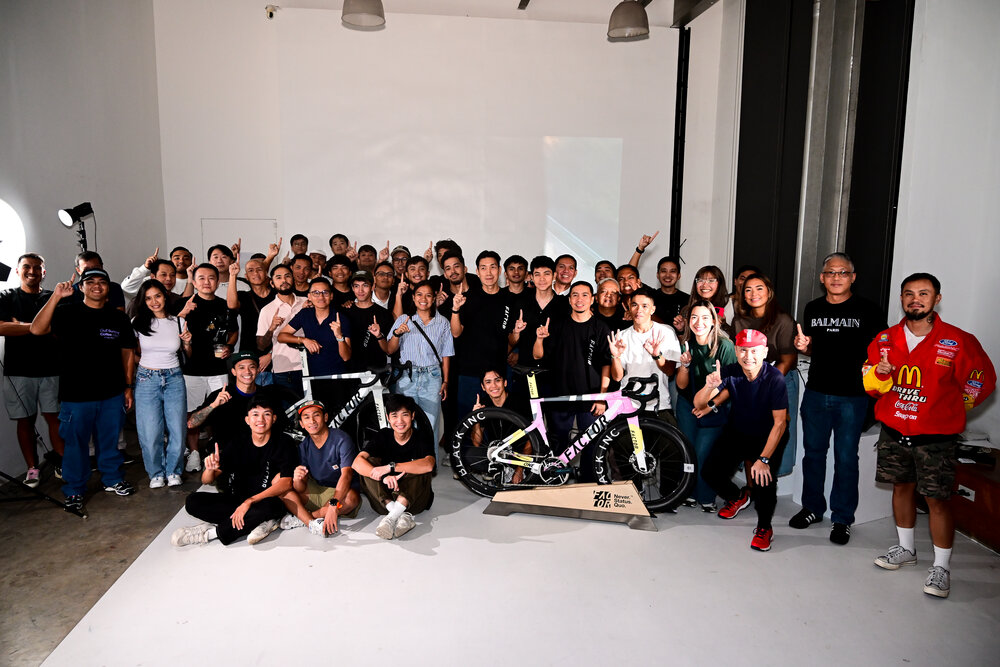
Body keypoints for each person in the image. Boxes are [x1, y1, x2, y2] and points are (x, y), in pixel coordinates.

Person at [865, 273, 995, 598]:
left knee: (937, 500)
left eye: (923, 293)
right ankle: (906, 549)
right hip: (895, 431)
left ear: (937, 299)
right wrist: (878, 374)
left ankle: (941, 567)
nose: (915, 300)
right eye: (909, 293)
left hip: (936, 437)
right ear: (901, 299)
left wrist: (955, 407)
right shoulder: (885, 339)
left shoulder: (958, 340)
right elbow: (871, 384)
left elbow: (981, 378)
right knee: (901, 489)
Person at [790, 253, 886, 545]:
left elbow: (882, 349)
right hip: (816, 392)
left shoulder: (868, 309)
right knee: (813, 454)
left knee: (846, 459)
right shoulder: (813, 308)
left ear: (852, 277)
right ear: (822, 278)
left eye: (843, 272)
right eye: (830, 272)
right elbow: (813, 349)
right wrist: (804, 347)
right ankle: (812, 508)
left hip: (852, 397)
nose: (836, 277)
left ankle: (842, 518)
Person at [29, 269, 138, 512]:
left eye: (102, 282)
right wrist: (56, 296)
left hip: (112, 393)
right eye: (90, 282)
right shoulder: (66, 312)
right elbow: (36, 329)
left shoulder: (117, 317)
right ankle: (75, 489)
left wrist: (128, 387)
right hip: (76, 395)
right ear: (81, 287)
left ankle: (112, 479)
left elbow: (127, 352)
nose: (97, 286)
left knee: (110, 441)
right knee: (75, 445)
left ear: (108, 288)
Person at [695, 329, 789, 552]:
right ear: (736, 351)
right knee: (710, 471)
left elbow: (780, 423)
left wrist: (763, 459)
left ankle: (764, 528)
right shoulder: (731, 371)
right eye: (744, 350)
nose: (749, 356)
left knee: (763, 481)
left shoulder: (775, 378)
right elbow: (699, 404)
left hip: (768, 435)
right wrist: (709, 387)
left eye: (754, 351)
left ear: (764, 352)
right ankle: (738, 497)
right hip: (738, 431)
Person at [171, 396, 295, 547]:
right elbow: (206, 480)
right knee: (192, 501)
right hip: (237, 501)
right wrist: (209, 470)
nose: (260, 419)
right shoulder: (238, 442)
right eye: (255, 414)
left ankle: (210, 533)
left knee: (273, 507)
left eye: (266, 414)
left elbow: (286, 483)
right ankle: (258, 522)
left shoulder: (284, 442)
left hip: (265, 500)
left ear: (274, 419)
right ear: (247, 420)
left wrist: (250, 501)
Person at [533, 281, 612, 482]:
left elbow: (606, 365)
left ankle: (587, 483)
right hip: (560, 394)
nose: (579, 299)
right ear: (569, 300)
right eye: (575, 295)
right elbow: (538, 356)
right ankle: (555, 480)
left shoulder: (601, 328)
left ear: (592, 299)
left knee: (591, 442)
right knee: (558, 439)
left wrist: (602, 397)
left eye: (585, 295)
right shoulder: (558, 325)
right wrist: (540, 339)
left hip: (591, 396)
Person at [0, 253, 65, 486]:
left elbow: (58, 330)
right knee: (25, 420)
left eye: (37, 268)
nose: (32, 271)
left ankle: (62, 463)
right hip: (18, 371)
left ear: (43, 272)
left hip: (51, 369)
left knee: (55, 418)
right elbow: (1, 327)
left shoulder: (53, 297)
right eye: (27, 267)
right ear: (18, 271)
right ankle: (32, 468)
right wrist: (37, 327)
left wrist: (18, 325)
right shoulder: (7, 296)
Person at [732, 273, 799, 476]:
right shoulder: (739, 320)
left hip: (779, 381)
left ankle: (767, 486)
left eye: (759, 288)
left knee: (775, 434)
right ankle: (751, 487)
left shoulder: (783, 320)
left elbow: (788, 360)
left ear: (769, 292)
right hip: (748, 382)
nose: (754, 293)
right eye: (748, 290)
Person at [674, 300, 738, 512]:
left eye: (704, 317)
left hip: (714, 406)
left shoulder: (725, 346)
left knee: (703, 453)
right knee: (688, 451)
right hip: (687, 405)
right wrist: (685, 366)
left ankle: (706, 496)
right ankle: (688, 493)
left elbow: (731, 387)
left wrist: (710, 405)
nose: (698, 322)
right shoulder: (687, 345)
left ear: (713, 321)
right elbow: (681, 385)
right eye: (694, 317)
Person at [380, 281, 454, 456]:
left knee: (430, 423)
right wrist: (397, 333)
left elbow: (446, 354)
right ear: (413, 297)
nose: (424, 299)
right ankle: (407, 463)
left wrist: (445, 381)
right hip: (407, 377)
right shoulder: (403, 319)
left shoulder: (443, 322)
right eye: (419, 294)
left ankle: (429, 465)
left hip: (432, 376)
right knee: (404, 423)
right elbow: (389, 350)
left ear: (434, 298)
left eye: (428, 295)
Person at [132, 280, 193, 488]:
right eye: (148, 298)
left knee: (177, 428)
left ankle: (174, 470)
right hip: (146, 379)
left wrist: (187, 342)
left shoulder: (178, 321)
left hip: (174, 378)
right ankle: (156, 473)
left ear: (165, 296)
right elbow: (129, 352)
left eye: (157, 296)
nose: (154, 302)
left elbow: (188, 354)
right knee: (150, 431)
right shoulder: (137, 322)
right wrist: (143, 366)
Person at [179, 262, 239, 472]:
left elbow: (233, 331)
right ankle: (194, 453)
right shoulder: (185, 304)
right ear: (194, 282)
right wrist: (183, 314)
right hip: (191, 370)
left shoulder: (224, 305)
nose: (206, 282)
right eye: (201, 278)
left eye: (211, 278)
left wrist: (229, 346)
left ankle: (217, 451)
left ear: (217, 281)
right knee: (192, 413)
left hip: (218, 369)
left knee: (220, 411)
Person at [352, 394, 435, 540]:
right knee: (368, 464)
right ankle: (398, 514)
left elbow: (429, 465)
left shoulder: (421, 436)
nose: (400, 421)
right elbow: (356, 463)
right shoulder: (383, 435)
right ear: (388, 418)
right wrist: (383, 477)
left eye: (405, 415)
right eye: (394, 416)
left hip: (415, 501)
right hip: (385, 500)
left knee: (420, 466)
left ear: (412, 416)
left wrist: (391, 467)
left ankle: (390, 519)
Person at [279, 400, 362, 537]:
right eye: (306, 417)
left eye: (316, 415)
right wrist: (298, 479)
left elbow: (346, 475)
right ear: (301, 424)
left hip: (342, 492)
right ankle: (314, 519)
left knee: (352, 499)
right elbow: (300, 488)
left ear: (325, 417)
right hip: (319, 489)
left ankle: (307, 519)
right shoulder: (304, 446)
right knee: (283, 486)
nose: (312, 421)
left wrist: (333, 505)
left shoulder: (341, 439)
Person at [450, 250, 513, 425]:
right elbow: (456, 332)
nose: (488, 272)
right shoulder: (467, 298)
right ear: (477, 272)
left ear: (499, 270)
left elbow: (511, 339)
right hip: (470, 372)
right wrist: (455, 309)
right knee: (467, 422)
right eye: (483, 268)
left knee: (499, 424)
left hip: (498, 374)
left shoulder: (509, 299)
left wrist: (516, 334)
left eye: (493, 267)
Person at [187, 350, 297, 447]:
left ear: (257, 370)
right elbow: (191, 423)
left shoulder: (267, 395)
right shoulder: (221, 395)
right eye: (241, 367)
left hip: (259, 452)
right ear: (233, 372)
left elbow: (280, 427)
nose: (247, 371)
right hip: (228, 453)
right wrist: (214, 405)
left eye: (252, 367)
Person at [277, 277, 352, 411]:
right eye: (316, 293)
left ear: (331, 296)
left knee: (338, 416)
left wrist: (339, 336)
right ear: (309, 296)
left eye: (325, 292)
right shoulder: (305, 314)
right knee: (315, 414)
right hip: (312, 377)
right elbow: (281, 336)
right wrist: (304, 340)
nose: (321, 297)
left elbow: (346, 357)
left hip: (337, 379)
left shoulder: (341, 317)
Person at [608, 287, 682, 420]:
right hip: (629, 404)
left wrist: (657, 355)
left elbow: (670, 371)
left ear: (652, 309)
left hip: (659, 404)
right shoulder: (622, 336)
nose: (639, 310)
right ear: (629, 308)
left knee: (670, 433)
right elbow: (617, 377)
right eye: (634, 305)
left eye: (644, 306)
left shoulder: (666, 332)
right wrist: (616, 356)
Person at [508, 256, 569, 376]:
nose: (542, 279)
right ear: (531, 277)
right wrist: (516, 332)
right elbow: (511, 341)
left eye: (546, 274)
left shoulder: (564, 305)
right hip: (523, 370)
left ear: (554, 275)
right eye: (537, 274)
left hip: (554, 371)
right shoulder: (520, 302)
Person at [256, 264, 307, 395]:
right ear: (272, 283)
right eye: (278, 277)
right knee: (288, 406)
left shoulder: (307, 302)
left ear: (293, 279)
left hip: (311, 365)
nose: (284, 280)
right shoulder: (267, 310)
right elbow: (261, 345)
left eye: (287, 276)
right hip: (284, 369)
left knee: (313, 405)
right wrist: (271, 328)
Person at [342, 270, 394, 372]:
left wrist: (379, 335)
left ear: (372, 287)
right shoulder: (345, 312)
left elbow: (389, 349)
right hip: (351, 371)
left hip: (377, 371)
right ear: (352, 288)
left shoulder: (384, 314)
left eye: (365, 285)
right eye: (356, 286)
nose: (360, 290)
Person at [675, 265, 730, 335]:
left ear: (720, 283)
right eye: (700, 280)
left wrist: (723, 324)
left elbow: (735, 335)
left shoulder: (729, 306)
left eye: (711, 280)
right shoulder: (687, 310)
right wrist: (682, 329)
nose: (704, 285)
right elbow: (685, 339)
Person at [652, 256, 689, 328]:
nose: (668, 275)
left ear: (679, 276)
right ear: (657, 275)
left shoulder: (688, 299)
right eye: (664, 271)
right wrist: (639, 250)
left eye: (672, 271)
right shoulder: (649, 297)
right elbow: (631, 274)